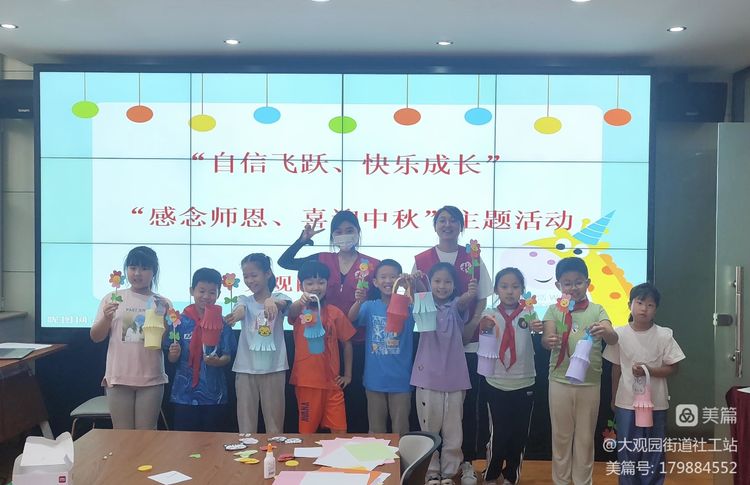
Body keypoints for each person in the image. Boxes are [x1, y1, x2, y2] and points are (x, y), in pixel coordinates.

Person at [279, 209, 380, 433]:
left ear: (358, 232)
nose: (344, 235)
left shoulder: (372, 265)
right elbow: (284, 262)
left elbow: (379, 298)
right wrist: (302, 240)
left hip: (357, 343)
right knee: (310, 421)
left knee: (348, 412)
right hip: (318, 344)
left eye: (349, 230)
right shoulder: (322, 260)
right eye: (338, 231)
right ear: (332, 236)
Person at [413, 205, 493, 485]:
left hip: (465, 348)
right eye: (442, 220)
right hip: (432, 357)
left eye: (453, 221)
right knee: (431, 419)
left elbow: (480, 297)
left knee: (461, 416)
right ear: (435, 225)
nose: (447, 225)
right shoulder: (421, 260)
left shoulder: (473, 258)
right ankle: (430, 470)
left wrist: (470, 326)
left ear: (461, 226)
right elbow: (416, 300)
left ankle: (461, 465)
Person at [542, 257, 618, 485]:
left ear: (588, 283)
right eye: (567, 283)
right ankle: (561, 481)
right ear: (558, 285)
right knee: (561, 436)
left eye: (578, 282)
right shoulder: (553, 310)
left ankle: (583, 482)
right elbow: (546, 338)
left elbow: (613, 338)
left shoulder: (597, 310)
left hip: (590, 382)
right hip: (559, 380)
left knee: (585, 437)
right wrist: (550, 340)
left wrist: (605, 330)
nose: (573, 287)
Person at [603, 283, 685, 485]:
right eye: (639, 303)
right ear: (629, 305)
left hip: (656, 404)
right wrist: (613, 398)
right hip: (626, 403)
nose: (644, 309)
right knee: (627, 448)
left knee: (653, 449)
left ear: (655, 309)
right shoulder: (619, 334)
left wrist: (649, 370)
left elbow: (674, 367)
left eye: (650, 305)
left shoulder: (664, 334)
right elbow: (615, 369)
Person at [411, 262, 478, 485]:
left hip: (455, 378)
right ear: (430, 283)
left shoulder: (456, 305)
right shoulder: (424, 304)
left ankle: (449, 472)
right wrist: (418, 281)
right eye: (437, 281)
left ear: (454, 285)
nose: (442, 286)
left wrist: (471, 293)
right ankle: (431, 472)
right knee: (429, 429)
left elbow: (464, 301)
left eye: (447, 282)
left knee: (453, 430)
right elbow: (420, 292)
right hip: (427, 378)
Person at [91, 246, 170, 430]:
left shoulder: (161, 303)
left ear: (154, 272)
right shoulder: (113, 298)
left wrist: (165, 318)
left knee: (146, 435)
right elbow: (96, 337)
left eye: (144, 268)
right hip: (118, 378)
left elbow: (163, 342)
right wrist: (106, 318)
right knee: (122, 435)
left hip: (151, 379)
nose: (137, 273)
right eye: (133, 267)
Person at [479, 268, 543, 485]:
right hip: (496, 382)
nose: (509, 291)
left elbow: (538, 331)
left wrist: (538, 327)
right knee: (498, 434)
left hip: (524, 381)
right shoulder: (489, 313)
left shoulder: (529, 313)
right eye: (504, 286)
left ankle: (511, 476)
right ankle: (491, 474)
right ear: (496, 289)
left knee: (519, 435)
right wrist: (484, 328)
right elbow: (483, 339)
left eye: (515, 287)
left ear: (522, 290)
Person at [226, 253, 291, 434]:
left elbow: (284, 304)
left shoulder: (279, 296)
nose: (249, 280)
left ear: (267, 273)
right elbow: (240, 309)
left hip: (274, 368)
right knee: (246, 428)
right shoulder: (244, 300)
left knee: (275, 427)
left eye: (254, 275)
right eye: (246, 276)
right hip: (245, 368)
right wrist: (236, 315)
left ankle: (274, 453)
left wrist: (271, 301)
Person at [288, 261, 355, 433]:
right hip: (307, 383)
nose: (316, 287)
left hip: (333, 383)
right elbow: (291, 312)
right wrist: (299, 302)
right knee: (307, 432)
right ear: (301, 286)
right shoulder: (299, 310)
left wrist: (348, 375)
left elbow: (347, 343)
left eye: (321, 282)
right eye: (309, 283)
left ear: (327, 284)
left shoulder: (335, 312)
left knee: (340, 432)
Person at [348, 259, 414, 435]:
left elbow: (424, 308)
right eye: (383, 277)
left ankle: (401, 455)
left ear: (400, 279)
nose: (388, 281)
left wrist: (412, 285)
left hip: (401, 381)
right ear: (375, 282)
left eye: (393, 277)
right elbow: (351, 318)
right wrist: (359, 301)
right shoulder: (370, 306)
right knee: (376, 431)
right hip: (374, 380)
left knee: (401, 431)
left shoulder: (409, 306)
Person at [165, 268, 235, 431]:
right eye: (201, 291)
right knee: (183, 441)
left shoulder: (223, 324)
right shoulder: (179, 322)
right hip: (184, 394)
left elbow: (227, 356)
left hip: (214, 395)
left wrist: (217, 362)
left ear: (218, 294)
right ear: (192, 291)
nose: (206, 296)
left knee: (212, 441)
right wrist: (173, 354)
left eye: (212, 292)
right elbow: (171, 359)